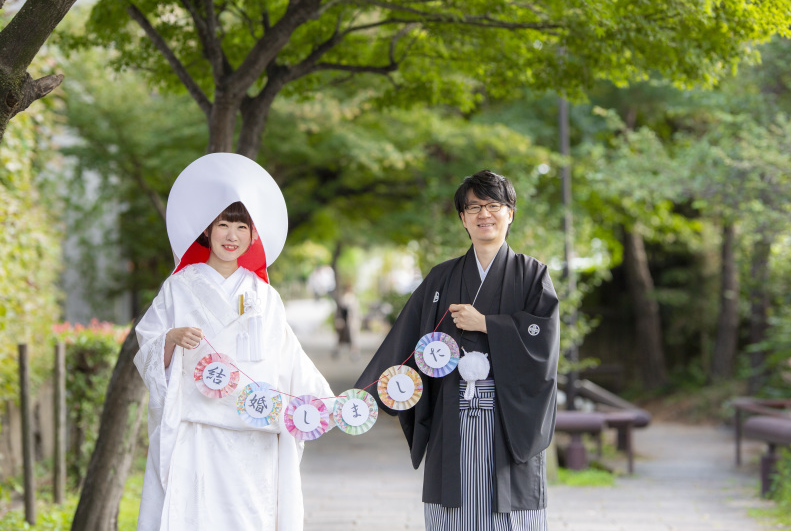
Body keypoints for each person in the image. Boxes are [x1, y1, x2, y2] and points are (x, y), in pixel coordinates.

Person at [134, 153, 333, 531]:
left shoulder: (265, 295)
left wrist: (323, 403)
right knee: (198, 516)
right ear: (206, 230)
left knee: (252, 517)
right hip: (199, 431)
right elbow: (147, 344)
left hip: (254, 430)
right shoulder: (180, 285)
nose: (231, 235)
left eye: (241, 227)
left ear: (254, 235)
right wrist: (172, 338)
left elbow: (289, 357)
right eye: (223, 224)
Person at [355, 169, 559, 530]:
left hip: (508, 419)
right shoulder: (441, 277)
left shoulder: (533, 275)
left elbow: (543, 343)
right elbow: (404, 343)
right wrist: (365, 396)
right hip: (452, 412)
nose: (485, 214)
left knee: (510, 512)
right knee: (454, 512)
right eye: (474, 207)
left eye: (494, 205)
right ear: (463, 219)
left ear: (510, 213)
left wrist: (487, 324)